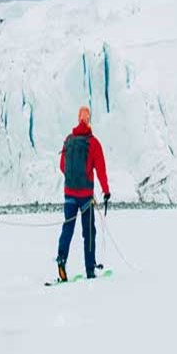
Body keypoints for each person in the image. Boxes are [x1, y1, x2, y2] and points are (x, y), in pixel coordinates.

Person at [55, 106, 110, 281]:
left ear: (78, 119)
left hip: (69, 195)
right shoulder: (93, 143)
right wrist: (106, 191)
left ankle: (61, 258)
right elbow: (100, 170)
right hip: (86, 196)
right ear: (89, 120)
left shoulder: (68, 140)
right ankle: (90, 269)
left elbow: (62, 166)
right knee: (89, 232)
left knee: (68, 228)